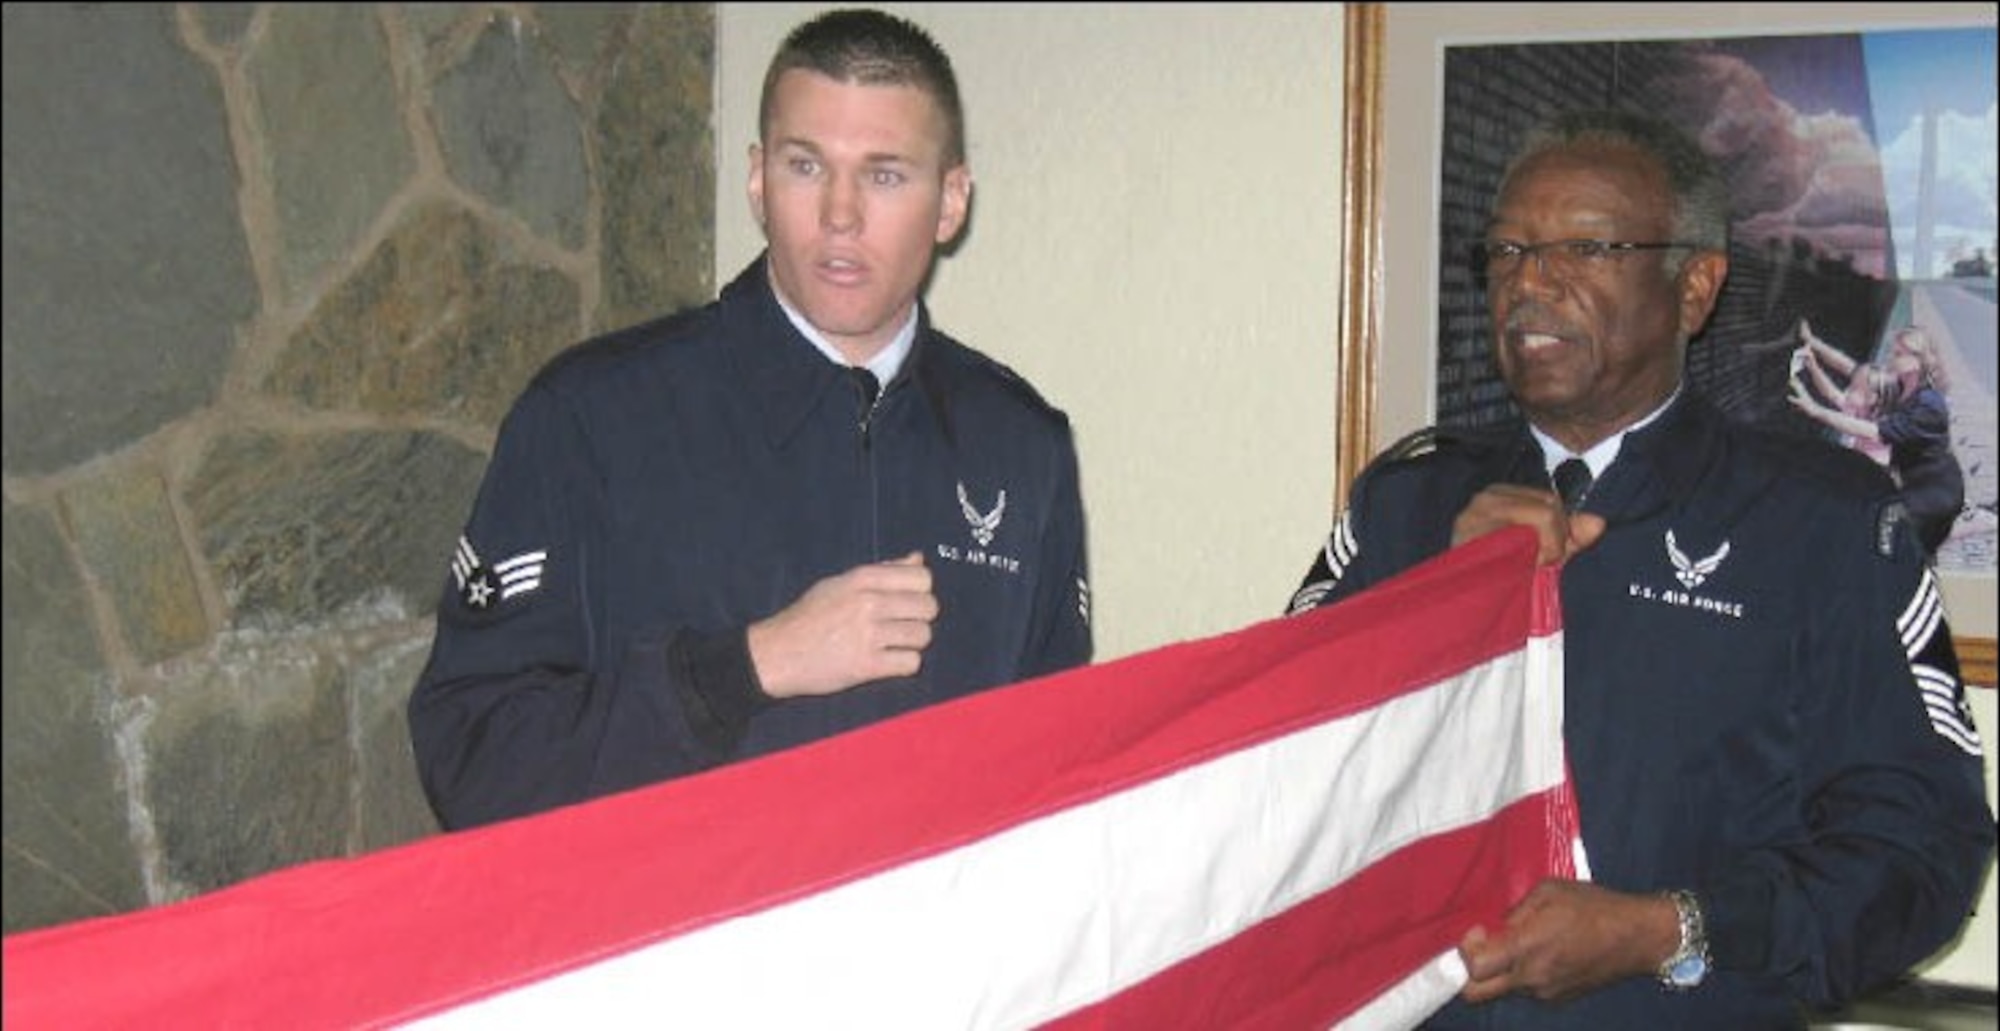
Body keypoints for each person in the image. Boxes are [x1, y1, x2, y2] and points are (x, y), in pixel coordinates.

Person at [1285, 110, 1993, 1027]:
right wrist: (1436, 608)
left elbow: (1921, 850)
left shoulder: (1826, 522)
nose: (1530, 284)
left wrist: (1670, 929)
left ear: (1694, 286)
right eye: (1506, 251)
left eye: (1586, 248)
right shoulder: (1408, 505)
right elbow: (1286, 784)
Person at [409, 9, 1091, 831]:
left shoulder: (1021, 445)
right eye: (808, 166)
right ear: (758, 180)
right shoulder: (591, 419)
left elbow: (1057, 776)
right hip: (681, 955)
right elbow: (473, 759)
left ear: (950, 201)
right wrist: (744, 667)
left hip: (944, 955)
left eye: (884, 175)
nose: (840, 215)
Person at [1790, 320, 1965, 555]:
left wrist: (1816, 411)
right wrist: (1814, 346)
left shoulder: (1929, 406)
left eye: (1898, 354)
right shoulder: (1900, 385)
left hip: (1934, 492)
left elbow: (1873, 432)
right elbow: (1851, 368)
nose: (1892, 358)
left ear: (1918, 361)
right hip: (1912, 483)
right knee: (1894, 538)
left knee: (1889, 535)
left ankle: (1974, 524)